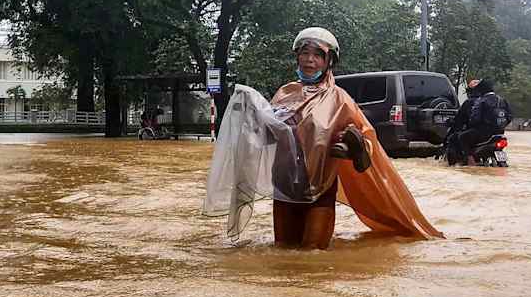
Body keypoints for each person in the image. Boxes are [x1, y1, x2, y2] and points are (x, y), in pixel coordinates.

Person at [204, 27, 443, 248]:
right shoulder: (285, 93)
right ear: (297, 57)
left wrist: (353, 148)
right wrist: (250, 119)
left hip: (320, 188)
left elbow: (368, 139)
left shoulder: (340, 99)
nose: (309, 60)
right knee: (284, 253)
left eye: (317, 55)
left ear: (329, 61)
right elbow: (267, 138)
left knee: (313, 253)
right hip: (284, 185)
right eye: (305, 53)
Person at [455, 78, 511, 165]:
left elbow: (474, 119)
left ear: (482, 89)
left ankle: (470, 161)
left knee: (462, 137)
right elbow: (510, 116)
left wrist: (472, 124)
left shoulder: (481, 101)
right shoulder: (502, 100)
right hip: (499, 133)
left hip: (483, 134)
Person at [444, 79, 481, 165]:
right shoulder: (491, 100)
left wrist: (452, 123)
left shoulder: (469, 103)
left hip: (474, 132)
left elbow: (459, 120)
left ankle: (467, 160)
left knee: (454, 139)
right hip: (491, 133)